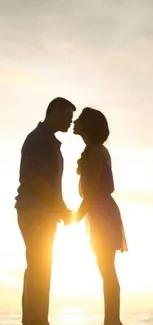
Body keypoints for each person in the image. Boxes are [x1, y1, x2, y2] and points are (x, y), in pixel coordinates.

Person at [15, 97, 76, 325]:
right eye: (68, 117)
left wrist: (60, 209)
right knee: (39, 266)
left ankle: (37, 319)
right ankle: (35, 320)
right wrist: (61, 208)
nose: (70, 122)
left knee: (41, 266)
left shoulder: (48, 141)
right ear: (55, 112)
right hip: (34, 210)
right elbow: (37, 181)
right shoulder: (37, 139)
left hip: (44, 211)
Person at [73, 107, 127, 325]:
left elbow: (93, 190)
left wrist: (73, 217)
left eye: (79, 119)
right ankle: (112, 319)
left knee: (107, 268)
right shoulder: (93, 150)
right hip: (98, 212)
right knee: (106, 268)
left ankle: (112, 320)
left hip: (102, 213)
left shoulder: (96, 151)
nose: (74, 122)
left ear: (88, 126)